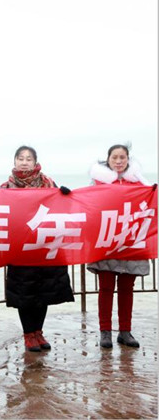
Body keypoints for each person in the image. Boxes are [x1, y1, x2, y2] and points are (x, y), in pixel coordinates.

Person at [0, 145, 74, 352]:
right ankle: (28, 334)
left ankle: (38, 332)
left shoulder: (49, 184)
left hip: (45, 245)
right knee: (24, 292)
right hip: (20, 248)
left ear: (35, 162)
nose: (24, 162)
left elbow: (63, 209)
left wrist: (65, 194)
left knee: (44, 291)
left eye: (28, 159)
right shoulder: (6, 188)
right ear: (14, 161)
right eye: (20, 158)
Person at [87, 144, 151, 349]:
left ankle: (125, 331)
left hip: (131, 242)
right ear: (108, 159)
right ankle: (105, 331)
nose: (118, 161)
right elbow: (87, 205)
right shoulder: (98, 183)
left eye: (122, 157)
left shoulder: (140, 183)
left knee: (126, 289)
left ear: (128, 159)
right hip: (107, 241)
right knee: (106, 288)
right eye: (114, 157)